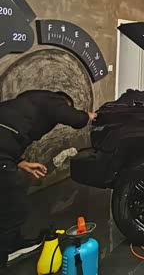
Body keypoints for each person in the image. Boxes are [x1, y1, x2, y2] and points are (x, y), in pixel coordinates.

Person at [0, 90, 96, 269]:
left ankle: (12, 243)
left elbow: (8, 138)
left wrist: (20, 162)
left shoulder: (27, 104)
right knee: (13, 202)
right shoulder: (52, 100)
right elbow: (76, 119)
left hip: (4, 151)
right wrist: (89, 116)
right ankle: (8, 248)